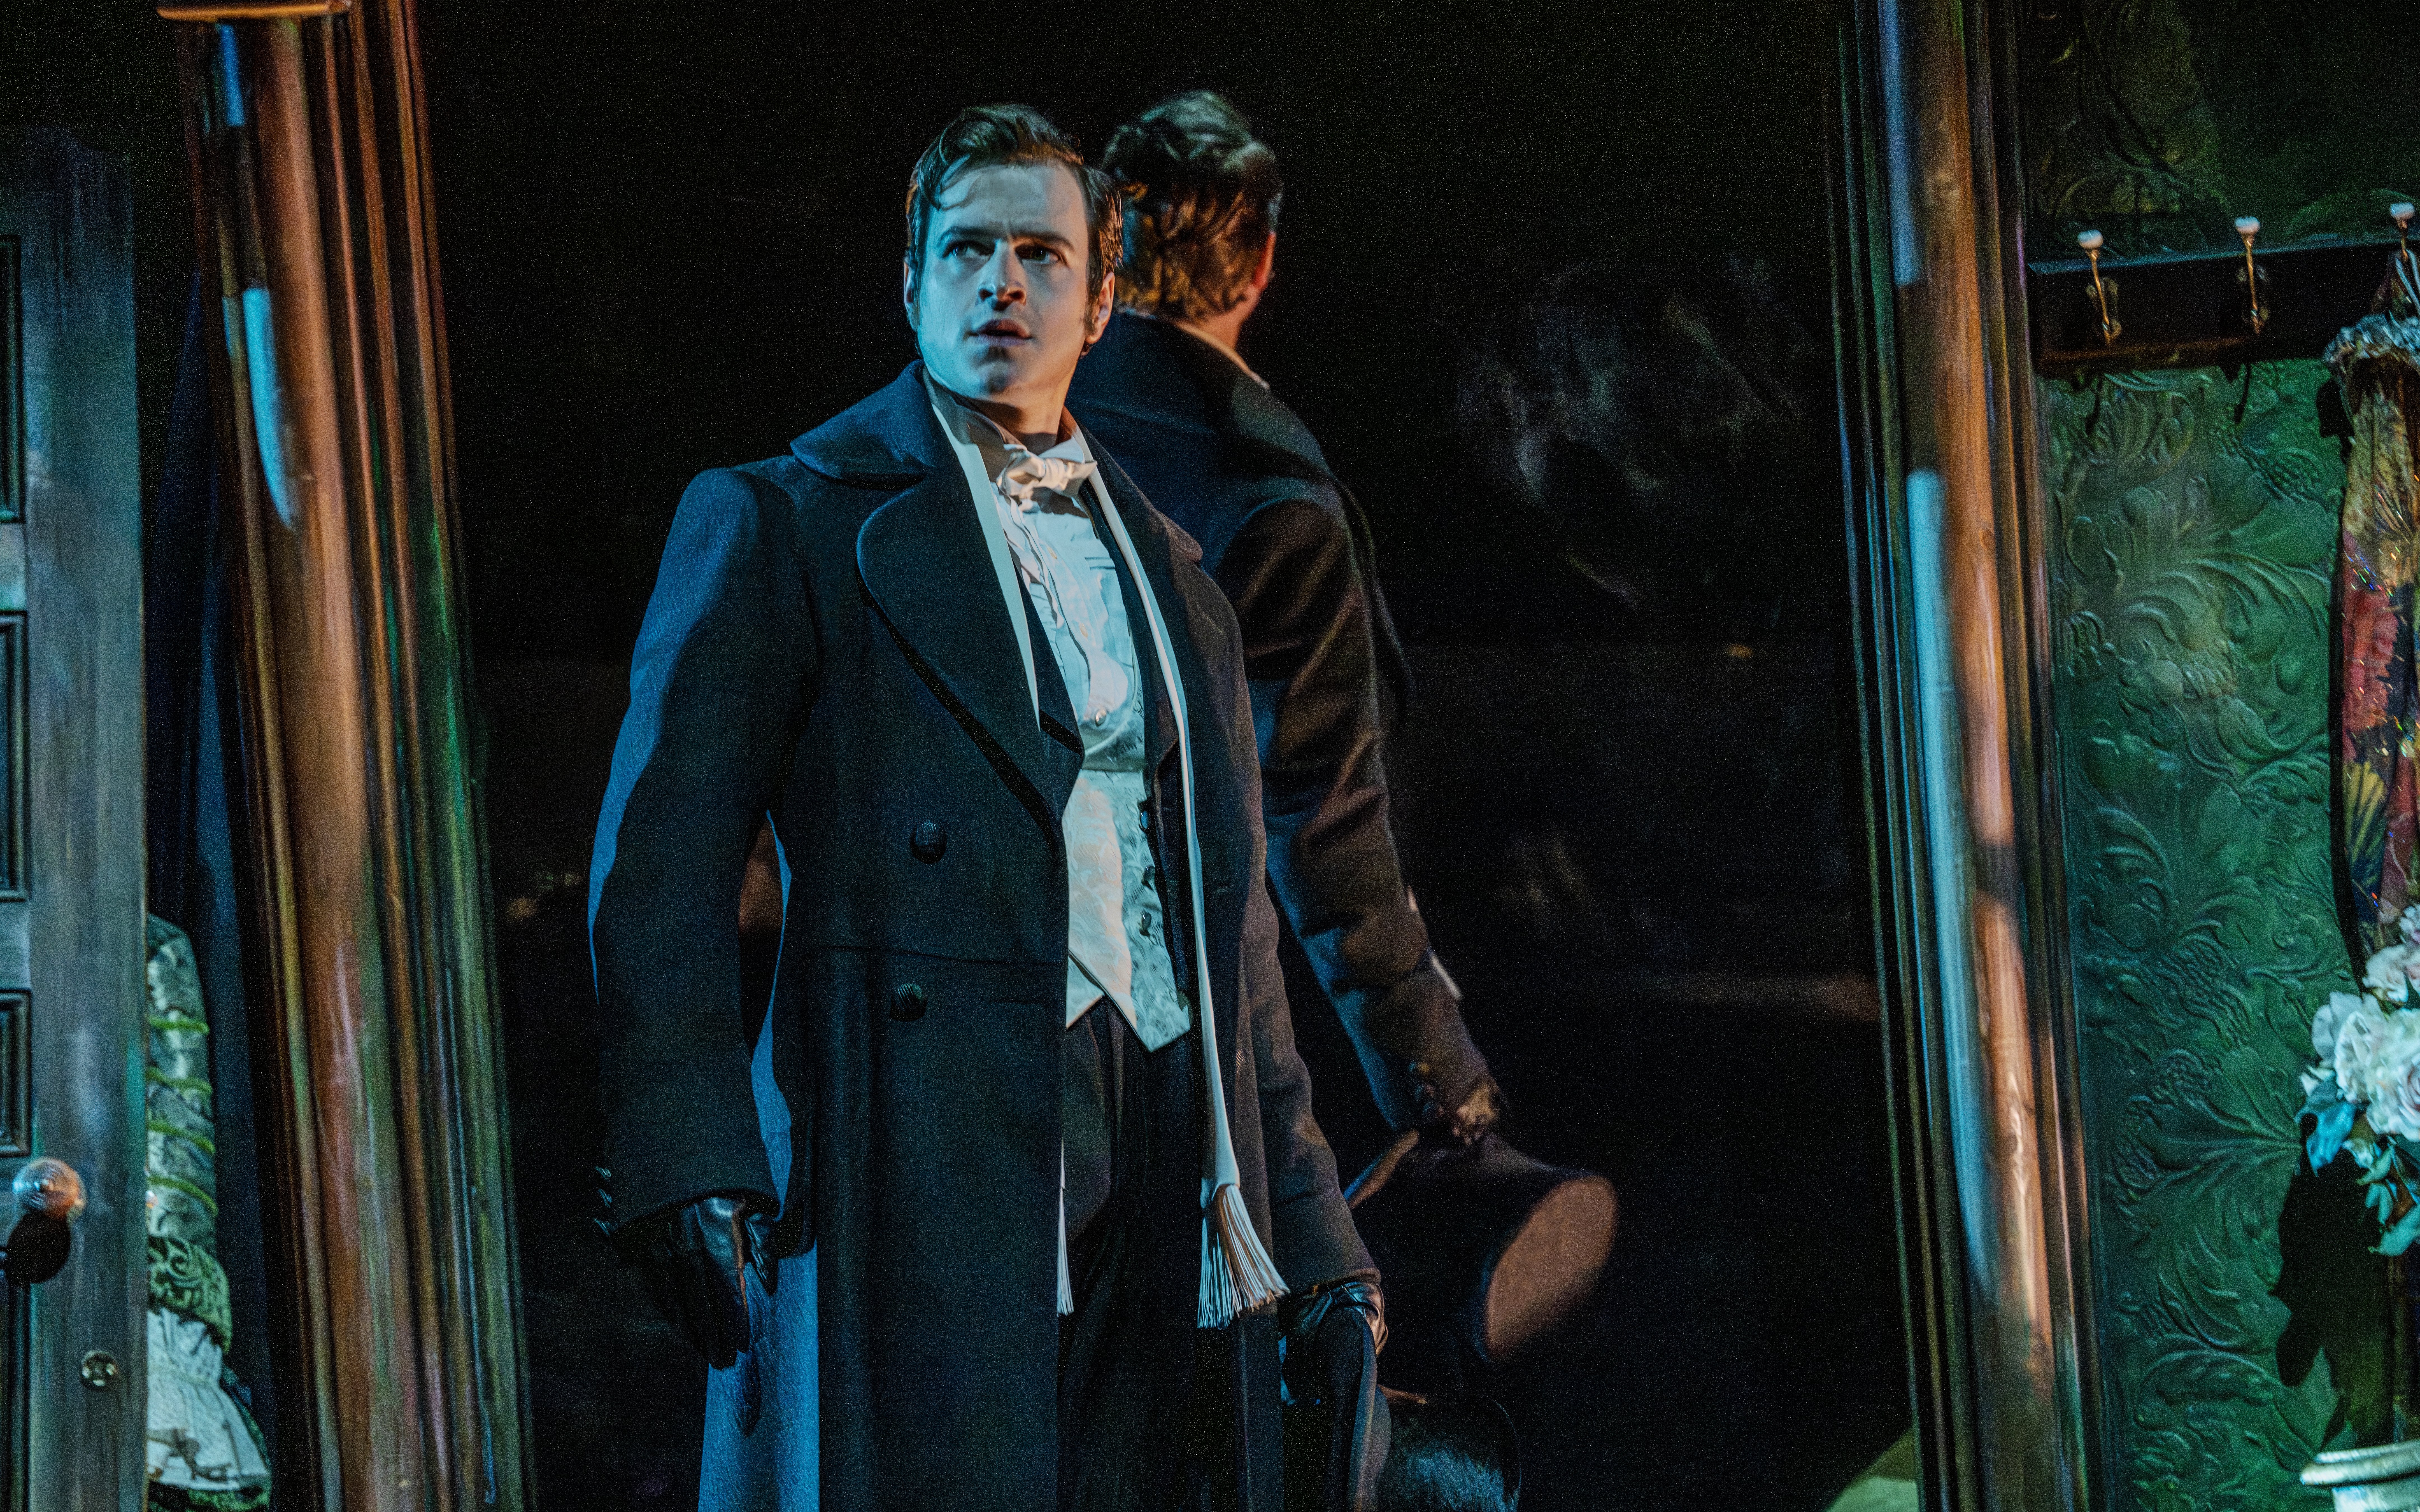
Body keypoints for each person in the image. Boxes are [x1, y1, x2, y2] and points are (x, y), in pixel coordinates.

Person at [587, 104, 1381, 1512]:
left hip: (1165, 1120)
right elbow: (664, 866)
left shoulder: (1177, 577)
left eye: (1040, 254)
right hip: (918, 1127)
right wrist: (686, 1149)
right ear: (911, 285)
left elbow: (1236, 934)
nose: (1001, 284)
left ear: (1104, 298)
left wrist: (1316, 1235)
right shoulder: (788, 519)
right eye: (965, 251)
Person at [1068, 92, 1500, 1149]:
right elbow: (1323, 821)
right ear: (1260, 264)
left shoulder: (1022, 427)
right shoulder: (1265, 497)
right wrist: (1442, 1082)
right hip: (1226, 1046)